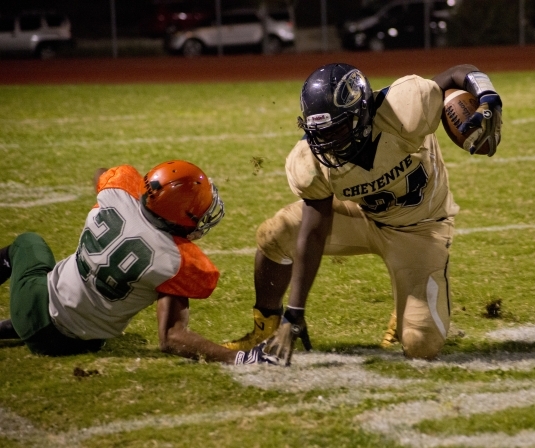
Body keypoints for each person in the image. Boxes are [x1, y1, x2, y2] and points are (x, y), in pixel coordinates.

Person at [223, 63, 502, 364]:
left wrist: (486, 94)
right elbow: (314, 230)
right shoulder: (311, 160)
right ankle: (266, 326)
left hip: (420, 230)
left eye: (338, 128)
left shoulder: (403, 109)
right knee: (276, 233)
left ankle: (408, 294)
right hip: (361, 215)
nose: (329, 141)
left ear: (362, 112)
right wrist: (295, 312)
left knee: (421, 346)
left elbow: (456, 74)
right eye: (321, 131)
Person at [0, 160, 276, 365]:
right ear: (182, 215)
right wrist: (240, 358)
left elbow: (101, 174)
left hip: (37, 305)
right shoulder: (176, 260)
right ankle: (16, 326)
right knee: (34, 249)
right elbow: (172, 338)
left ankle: (19, 324)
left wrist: (128, 191)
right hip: (75, 343)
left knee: (29, 243)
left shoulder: (115, 194)